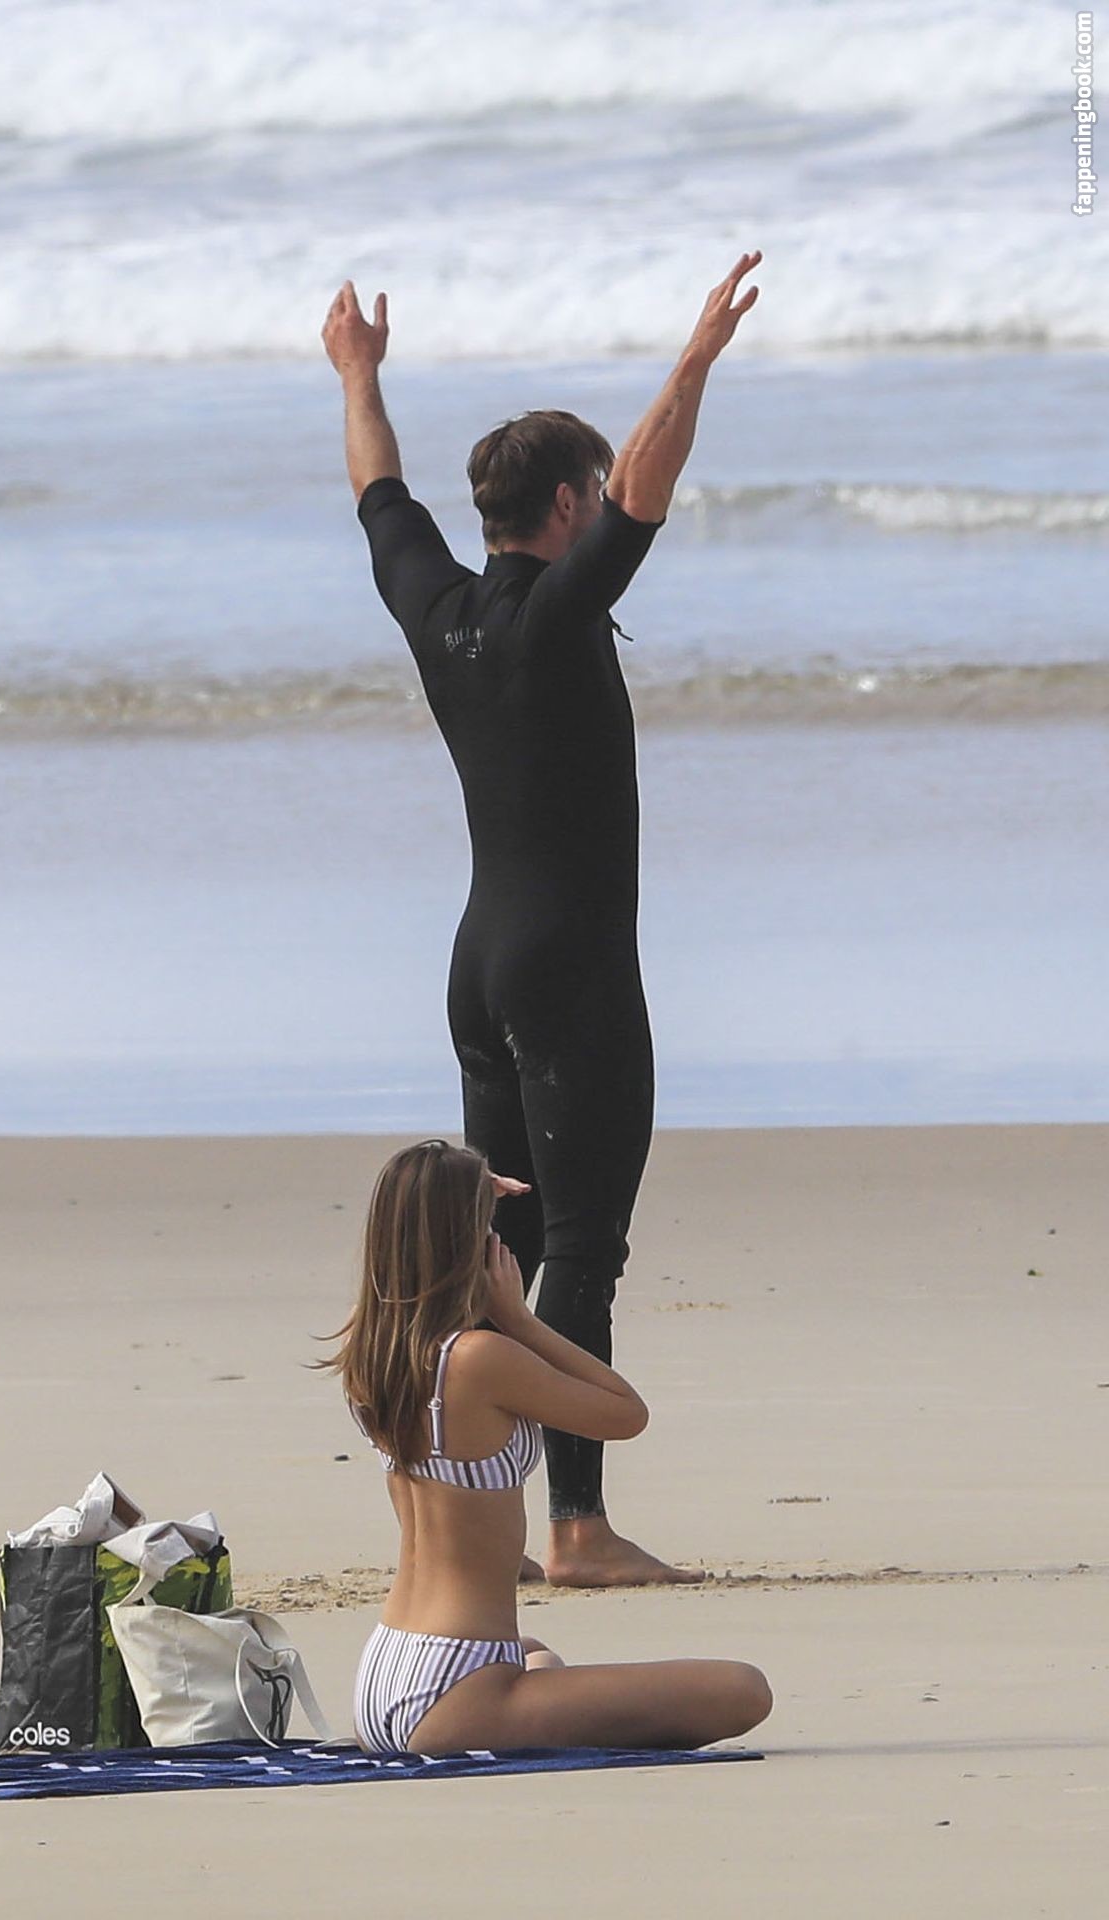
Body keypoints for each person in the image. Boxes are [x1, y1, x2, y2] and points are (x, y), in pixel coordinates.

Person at [320, 253, 762, 1587]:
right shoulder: (564, 614)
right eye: (591, 497)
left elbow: (376, 494)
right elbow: (649, 485)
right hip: (569, 971)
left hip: (479, 967)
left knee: (490, 1255)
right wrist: (694, 362)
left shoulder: (437, 606)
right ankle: (576, 1527)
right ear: (564, 506)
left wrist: (355, 373)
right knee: (577, 1250)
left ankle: (463, 1523)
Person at [318, 1138, 770, 1756]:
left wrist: (464, 1190)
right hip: (455, 1691)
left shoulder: (377, 1354)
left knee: (536, 1654)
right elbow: (625, 1413)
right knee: (744, 1690)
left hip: (387, 1673)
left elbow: (415, 1216)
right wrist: (520, 1319)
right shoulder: (480, 1359)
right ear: (469, 1245)